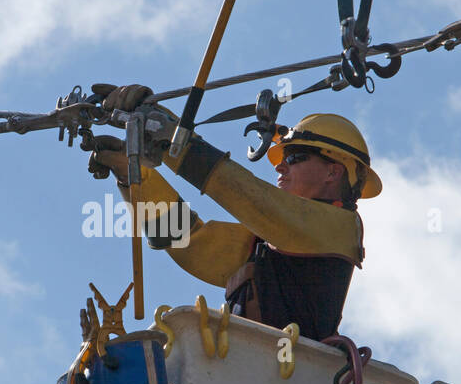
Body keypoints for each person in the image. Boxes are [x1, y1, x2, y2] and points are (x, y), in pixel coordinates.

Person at [88, 84, 381, 341]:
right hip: (254, 376)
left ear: (333, 172)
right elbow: (188, 240)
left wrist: (169, 139)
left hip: (291, 379)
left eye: (294, 157)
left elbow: (246, 196)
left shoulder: (340, 229)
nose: (280, 166)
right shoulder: (269, 245)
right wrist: (135, 177)